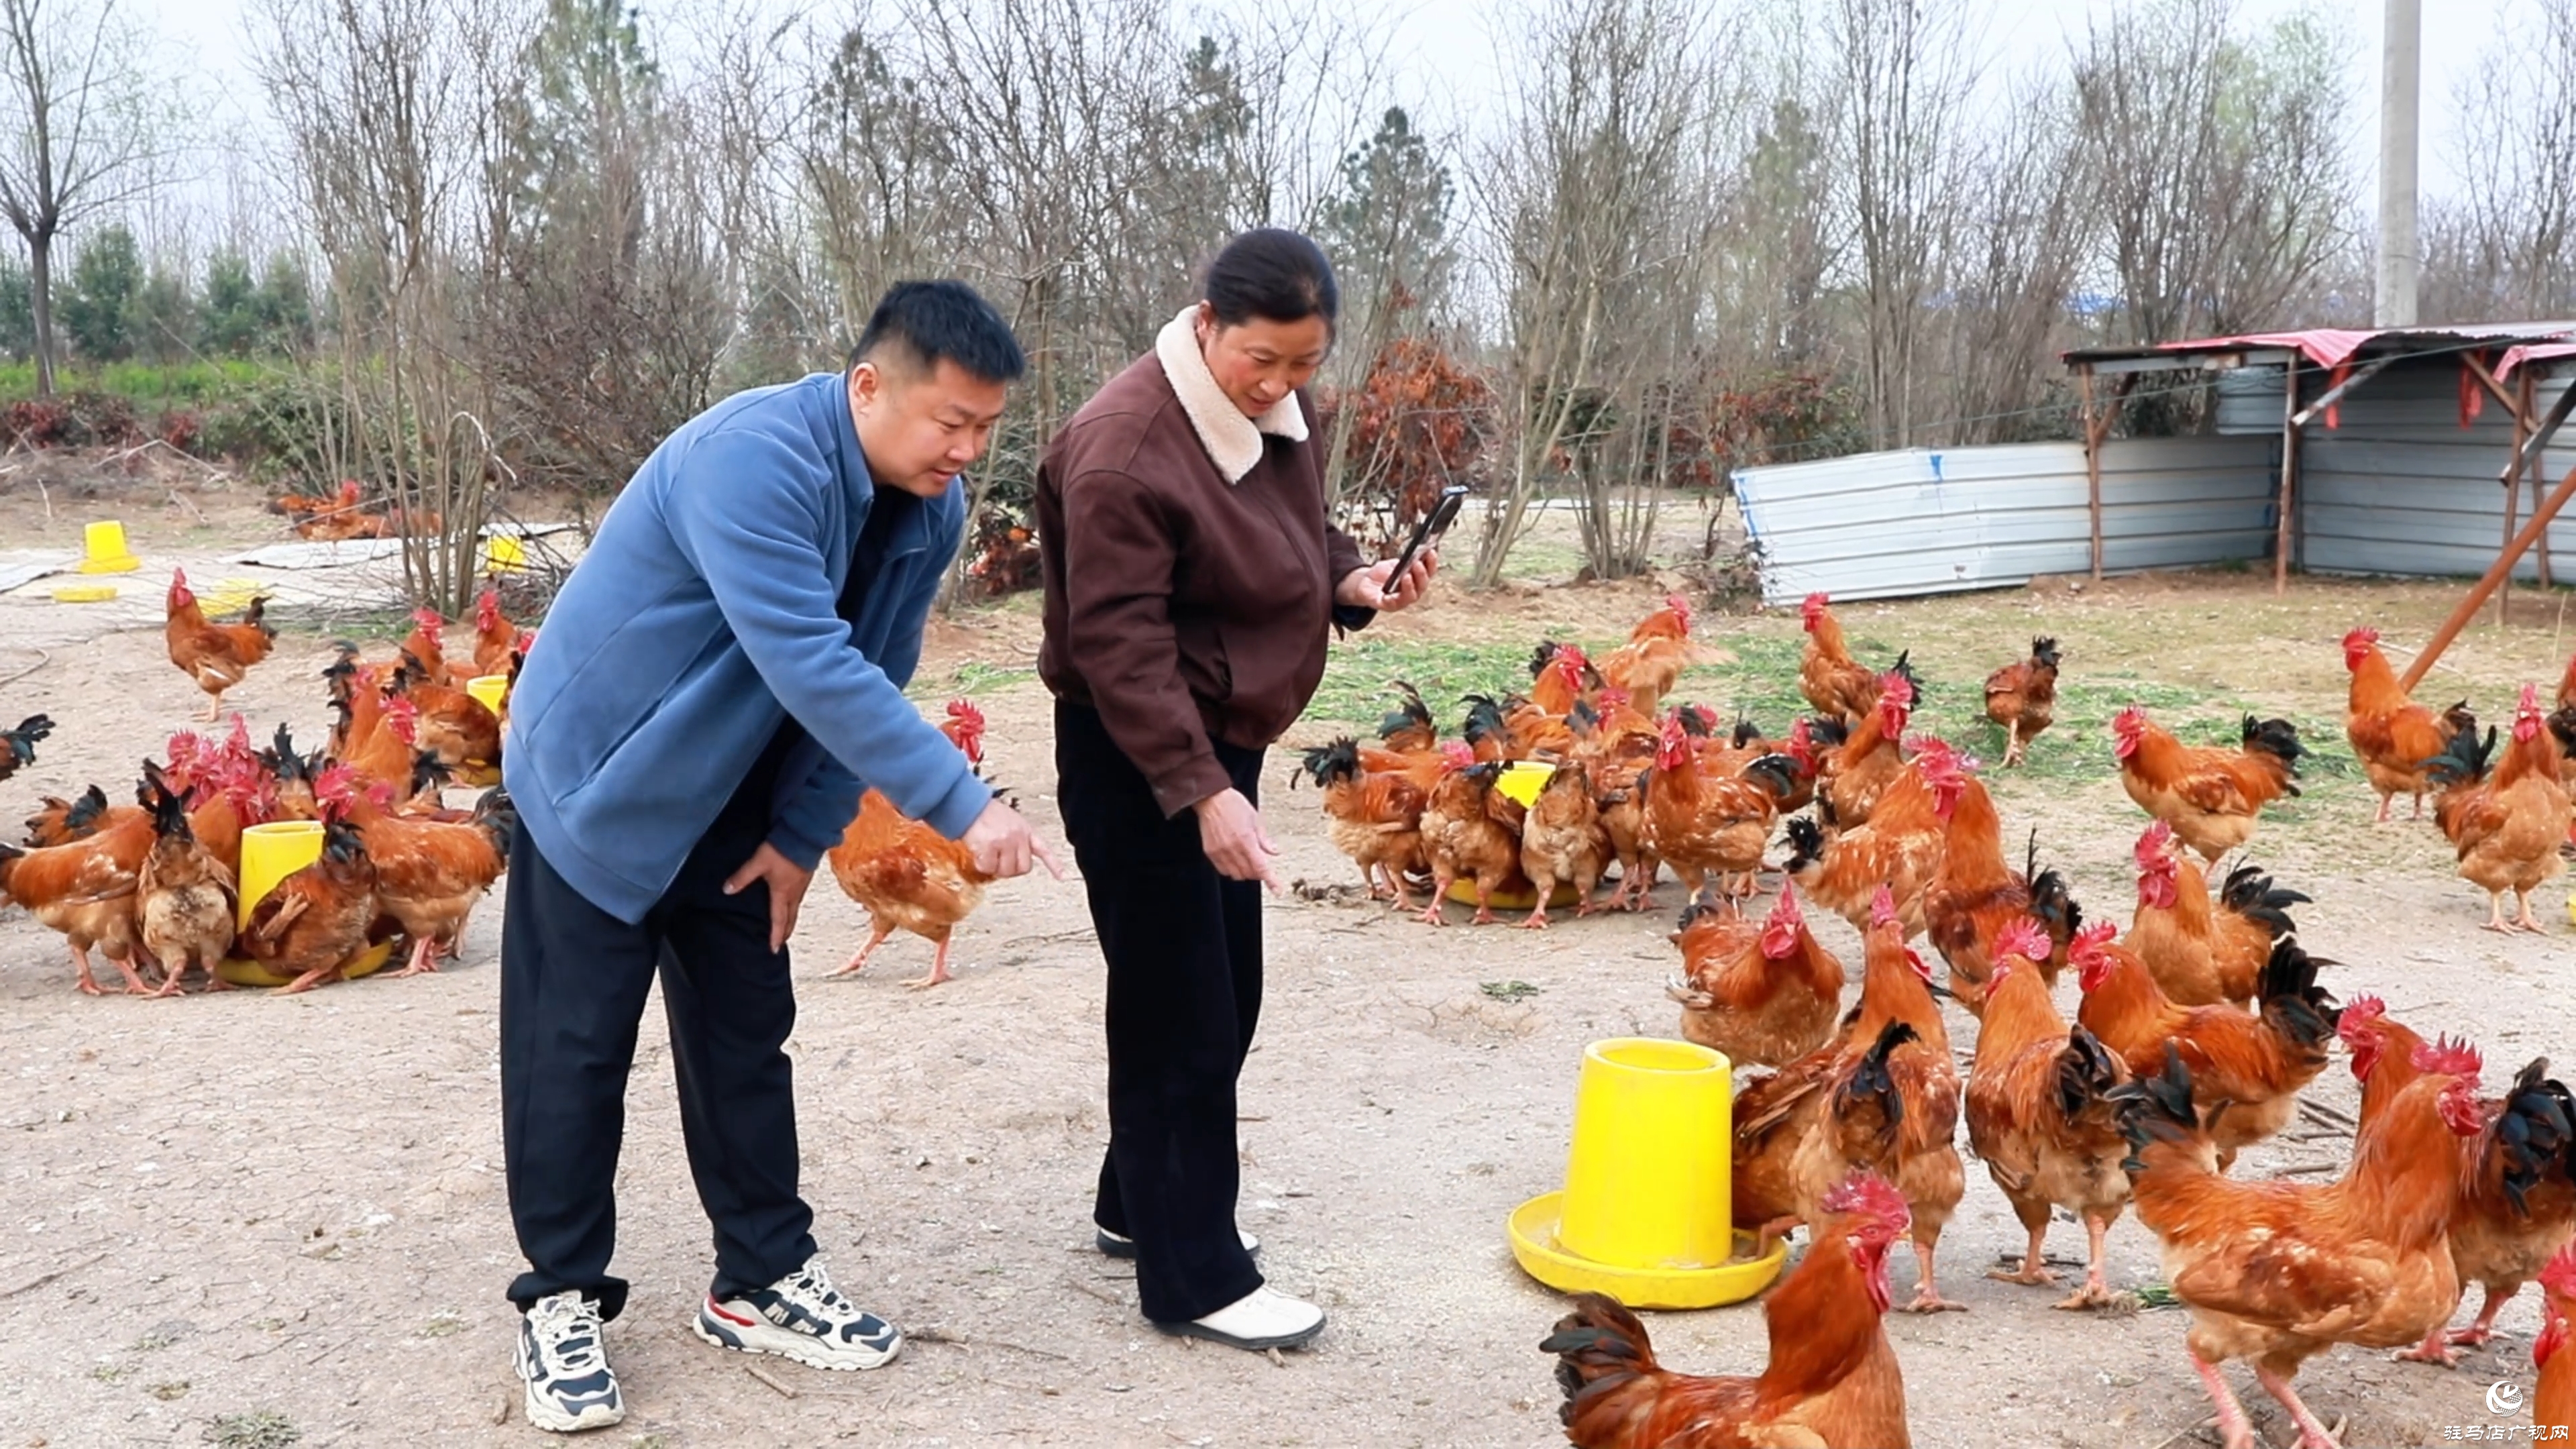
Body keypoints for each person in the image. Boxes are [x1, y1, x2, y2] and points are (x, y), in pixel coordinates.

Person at [497, 280, 1055, 1434]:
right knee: (575, 1049)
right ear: (870, 387)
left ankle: (758, 1278)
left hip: (736, 797)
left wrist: (801, 835)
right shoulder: (752, 461)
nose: (967, 451)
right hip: (603, 779)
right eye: (950, 422)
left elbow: (878, 667)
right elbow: (807, 656)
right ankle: (560, 1297)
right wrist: (960, 804)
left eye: (986, 429)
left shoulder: (930, 507)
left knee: (746, 1037)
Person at [1034, 229, 1438, 1352]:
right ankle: (1196, 1275)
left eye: (1305, 363)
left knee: (1220, 991)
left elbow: (1290, 530)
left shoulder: (1270, 413)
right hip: (1139, 755)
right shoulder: (1123, 451)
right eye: (1262, 359)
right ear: (1206, 322)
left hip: (1218, 740)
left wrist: (1350, 576)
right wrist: (1199, 791)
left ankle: (1139, 1205)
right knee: (1184, 1013)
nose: (1281, 385)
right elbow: (1119, 647)